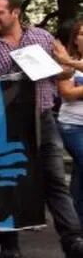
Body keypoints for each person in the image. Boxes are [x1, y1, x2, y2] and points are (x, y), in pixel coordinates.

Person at [0, 0, 83, 258]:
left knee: (55, 180)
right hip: (4, 122)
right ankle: (9, 239)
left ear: (16, 13)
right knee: (9, 179)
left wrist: (60, 66)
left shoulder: (42, 37)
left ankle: (74, 244)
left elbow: (64, 74)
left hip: (43, 117)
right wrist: (19, 68)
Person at [57, 20, 83, 225]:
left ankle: (75, 222)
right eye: (81, 33)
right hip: (73, 125)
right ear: (75, 38)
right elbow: (67, 93)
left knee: (80, 172)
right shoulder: (66, 63)